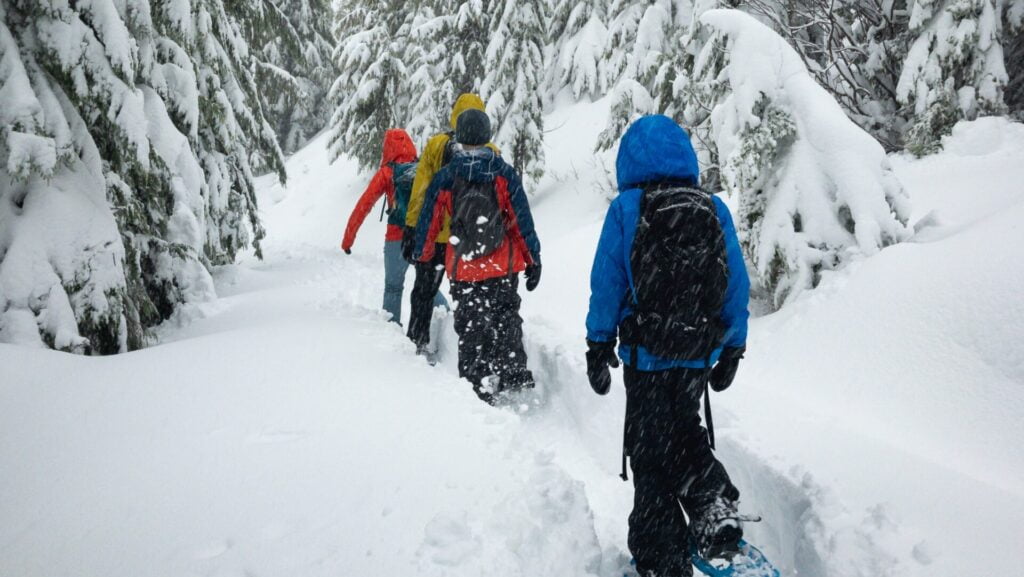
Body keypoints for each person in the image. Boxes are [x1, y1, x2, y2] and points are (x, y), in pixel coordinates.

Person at [584, 115, 751, 577]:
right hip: (697, 352)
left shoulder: (628, 208)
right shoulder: (713, 207)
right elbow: (736, 283)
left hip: (646, 355)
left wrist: (598, 346)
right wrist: (733, 347)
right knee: (685, 426)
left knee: (650, 452)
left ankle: (663, 557)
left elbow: (607, 284)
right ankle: (712, 503)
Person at [411, 108, 541, 403]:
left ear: (458, 137)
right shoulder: (503, 173)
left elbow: (429, 221)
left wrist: (423, 252)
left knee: (471, 324)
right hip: (502, 264)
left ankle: (477, 383)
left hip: (464, 266)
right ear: (487, 135)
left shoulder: (447, 176)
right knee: (506, 315)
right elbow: (521, 220)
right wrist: (533, 258)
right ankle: (512, 371)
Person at [402, 93, 499, 356]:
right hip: (471, 241)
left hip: (435, 237)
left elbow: (421, 191)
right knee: (474, 298)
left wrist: (412, 228)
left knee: (423, 291)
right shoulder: (491, 153)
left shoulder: (436, 145)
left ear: (455, 115)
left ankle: (417, 340)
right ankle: (478, 354)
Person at [340, 128, 446, 324]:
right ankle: (445, 319)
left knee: (393, 288)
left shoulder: (387, 173)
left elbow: (363, 206)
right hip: (422, 237)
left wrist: (348, 240)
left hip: (396, 238)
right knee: (427, 284)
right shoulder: (422, 167)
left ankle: (392, 333)